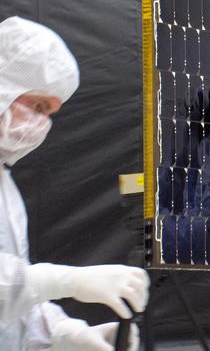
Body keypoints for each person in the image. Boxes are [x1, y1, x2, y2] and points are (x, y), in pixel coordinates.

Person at [0, 17, 148, 350]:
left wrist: (67, 334)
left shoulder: (5, 187)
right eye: (37, 106)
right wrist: (69, 281)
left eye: (50, 113)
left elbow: (13, 309)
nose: (41, 125)